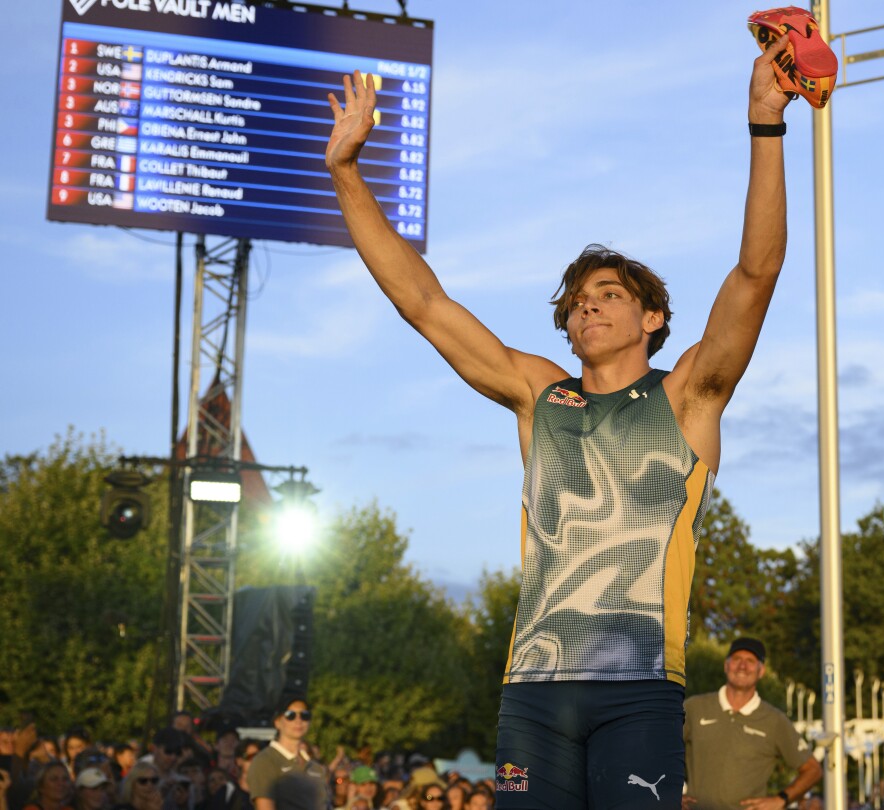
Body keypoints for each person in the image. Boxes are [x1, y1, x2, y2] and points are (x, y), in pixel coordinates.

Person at [324, 23, 796, 810]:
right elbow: (424, 303)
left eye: (608, 294)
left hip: (641, 688)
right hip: (533, 694)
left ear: (652, 318)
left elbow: (758, 270)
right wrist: (346, 173)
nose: (589, 307)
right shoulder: (539, 395)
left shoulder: (689, 395)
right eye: (577, 302)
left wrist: (765, 124)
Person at [681, 638, 820, 810]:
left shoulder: (774, 720)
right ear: (726, 665)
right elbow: (659, 748)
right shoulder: (695, 707)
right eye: (737, 659)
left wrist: (781, 799)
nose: (742, 666)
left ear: (761, 671)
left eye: (750, 661)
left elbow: (812, 770)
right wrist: (672, 791)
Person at [246, 701, 327, 810]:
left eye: (304, 715)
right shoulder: (265, 760)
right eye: (290, 715)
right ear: (277, 722)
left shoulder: (316, 768)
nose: (298, 720)